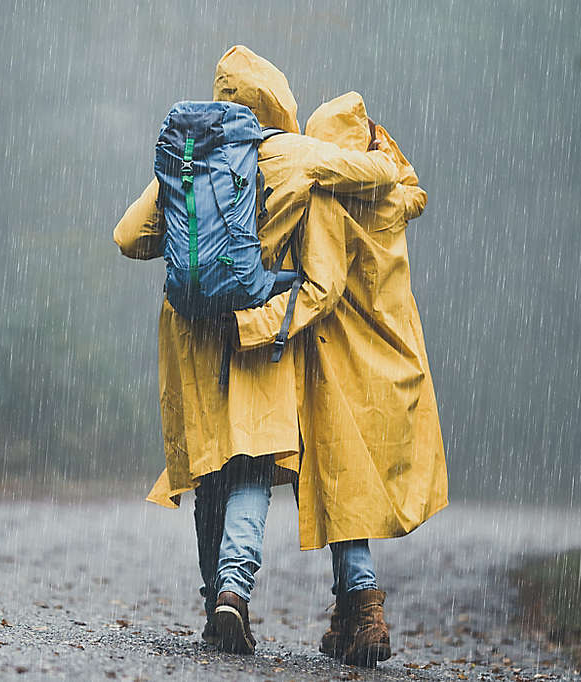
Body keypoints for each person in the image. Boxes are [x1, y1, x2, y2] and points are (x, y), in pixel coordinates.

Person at [114, 46, 401, 656]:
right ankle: (243, 592)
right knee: (254, 464)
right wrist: (379, 154)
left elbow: (128, 237)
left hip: (192, 337)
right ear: (277, 101)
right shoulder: (295, 156)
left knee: (210, 468)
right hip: (259, 337)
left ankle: (214, 594)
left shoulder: (189, 161)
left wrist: (195, 259)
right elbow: (377, 179)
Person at [231, 91, 448, 665]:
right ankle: (352, 617)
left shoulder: (330, 202)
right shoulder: (392, 199)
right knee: (355, 487)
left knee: (344, 486)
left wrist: (257, 325)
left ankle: (363, 608)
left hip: (341, 358)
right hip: (395, 357)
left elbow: (321, 290)